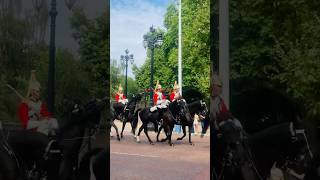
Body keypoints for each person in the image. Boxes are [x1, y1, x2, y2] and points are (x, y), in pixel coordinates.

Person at [18, 70, 59, 136]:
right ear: (32, 92)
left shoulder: (40, 104)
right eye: (37, 91)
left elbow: (47, 115)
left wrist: (44, 118)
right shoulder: (24, 105)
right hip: (30, 130)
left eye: (39, 91)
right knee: (44, 124)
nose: (39, 93)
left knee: (54, 121)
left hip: (40, 124)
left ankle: (54, 137)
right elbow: (26, 124)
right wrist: (39, 122)